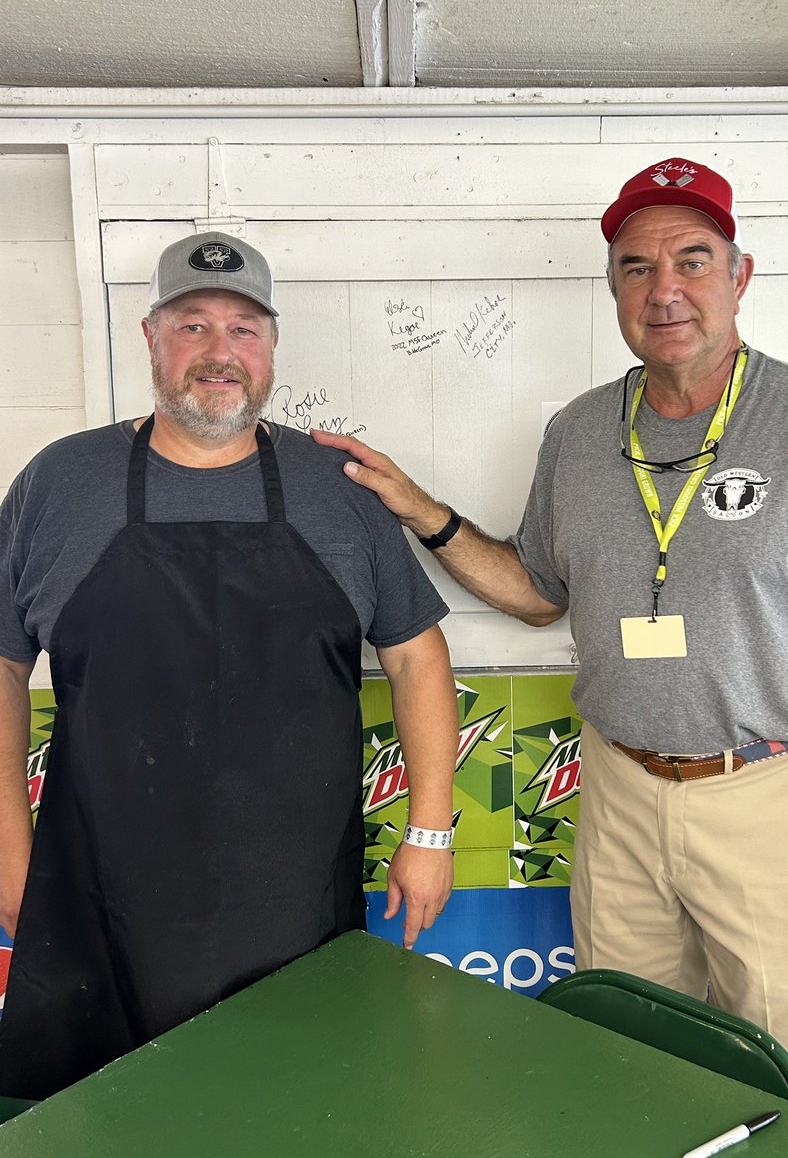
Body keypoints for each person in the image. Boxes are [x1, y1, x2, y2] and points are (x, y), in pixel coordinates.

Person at [312, 158, 788, 1111]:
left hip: (767, 791)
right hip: (619, 790)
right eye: (636, 267)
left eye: (693, 261)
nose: (664, 289)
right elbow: (539, 592)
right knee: (629, 1062)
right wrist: (422, 510)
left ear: (740, 276)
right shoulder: (583, 432)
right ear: (615, 286)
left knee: (784, 1086)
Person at [0, 232, 457, 1100]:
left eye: (244, 329)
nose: (220, 353)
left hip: (293, 900)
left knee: (291, 1113)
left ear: (273, 346)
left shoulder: (339, 489)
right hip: (99, 895)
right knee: (101, 1120)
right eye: (193, 326)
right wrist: (5, 847)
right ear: (149, 337)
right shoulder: (61, 482)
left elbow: (415, 654)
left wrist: (430, 832)